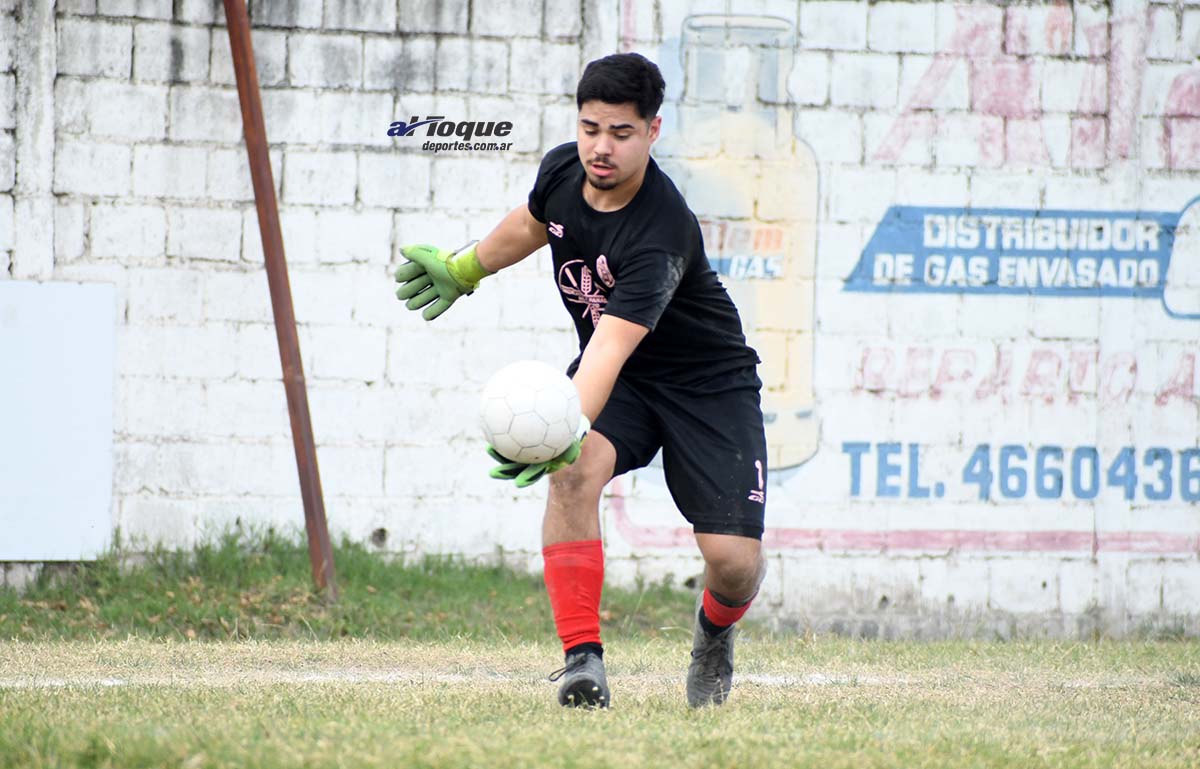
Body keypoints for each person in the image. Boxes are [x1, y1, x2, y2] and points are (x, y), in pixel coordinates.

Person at [394, 53, 768, 709]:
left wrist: (565, 425)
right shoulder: (565, 167)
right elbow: (532, 223)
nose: (601, 146)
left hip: (706, 385)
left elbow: (610, 346)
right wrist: (464, 269)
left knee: (733, 562)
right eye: (591, 127)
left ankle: (713, 634)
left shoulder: (662, 230)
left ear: (653, 131)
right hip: (623, 379)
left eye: (621, 133)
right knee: (573, 473)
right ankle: (581, 662)